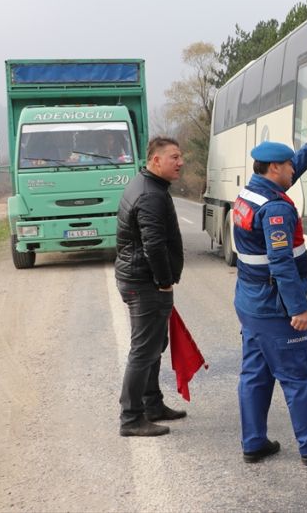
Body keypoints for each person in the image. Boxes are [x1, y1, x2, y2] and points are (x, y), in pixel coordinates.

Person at [232, 127, 307, 466]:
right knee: (297, 376)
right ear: (274, 169)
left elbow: (287, 176)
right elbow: (282, 262)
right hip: (274, 306)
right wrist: (298, 307)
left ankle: (254, 442)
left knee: (255, 373)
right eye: (288, 166)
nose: (291, 171)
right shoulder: (276, 210)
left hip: (250, 301)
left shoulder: (250, 194)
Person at [114, 136, 186, 437]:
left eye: (181, 157)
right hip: (144, 282)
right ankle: (131, 419)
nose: (180, 162)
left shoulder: (149, 186)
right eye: (174, 157)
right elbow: (153, 244)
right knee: (144, 350)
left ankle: (152, 404)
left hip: (138, 278)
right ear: (156, 160)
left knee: (155, 345)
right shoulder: (151, 194)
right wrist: (164, 281)